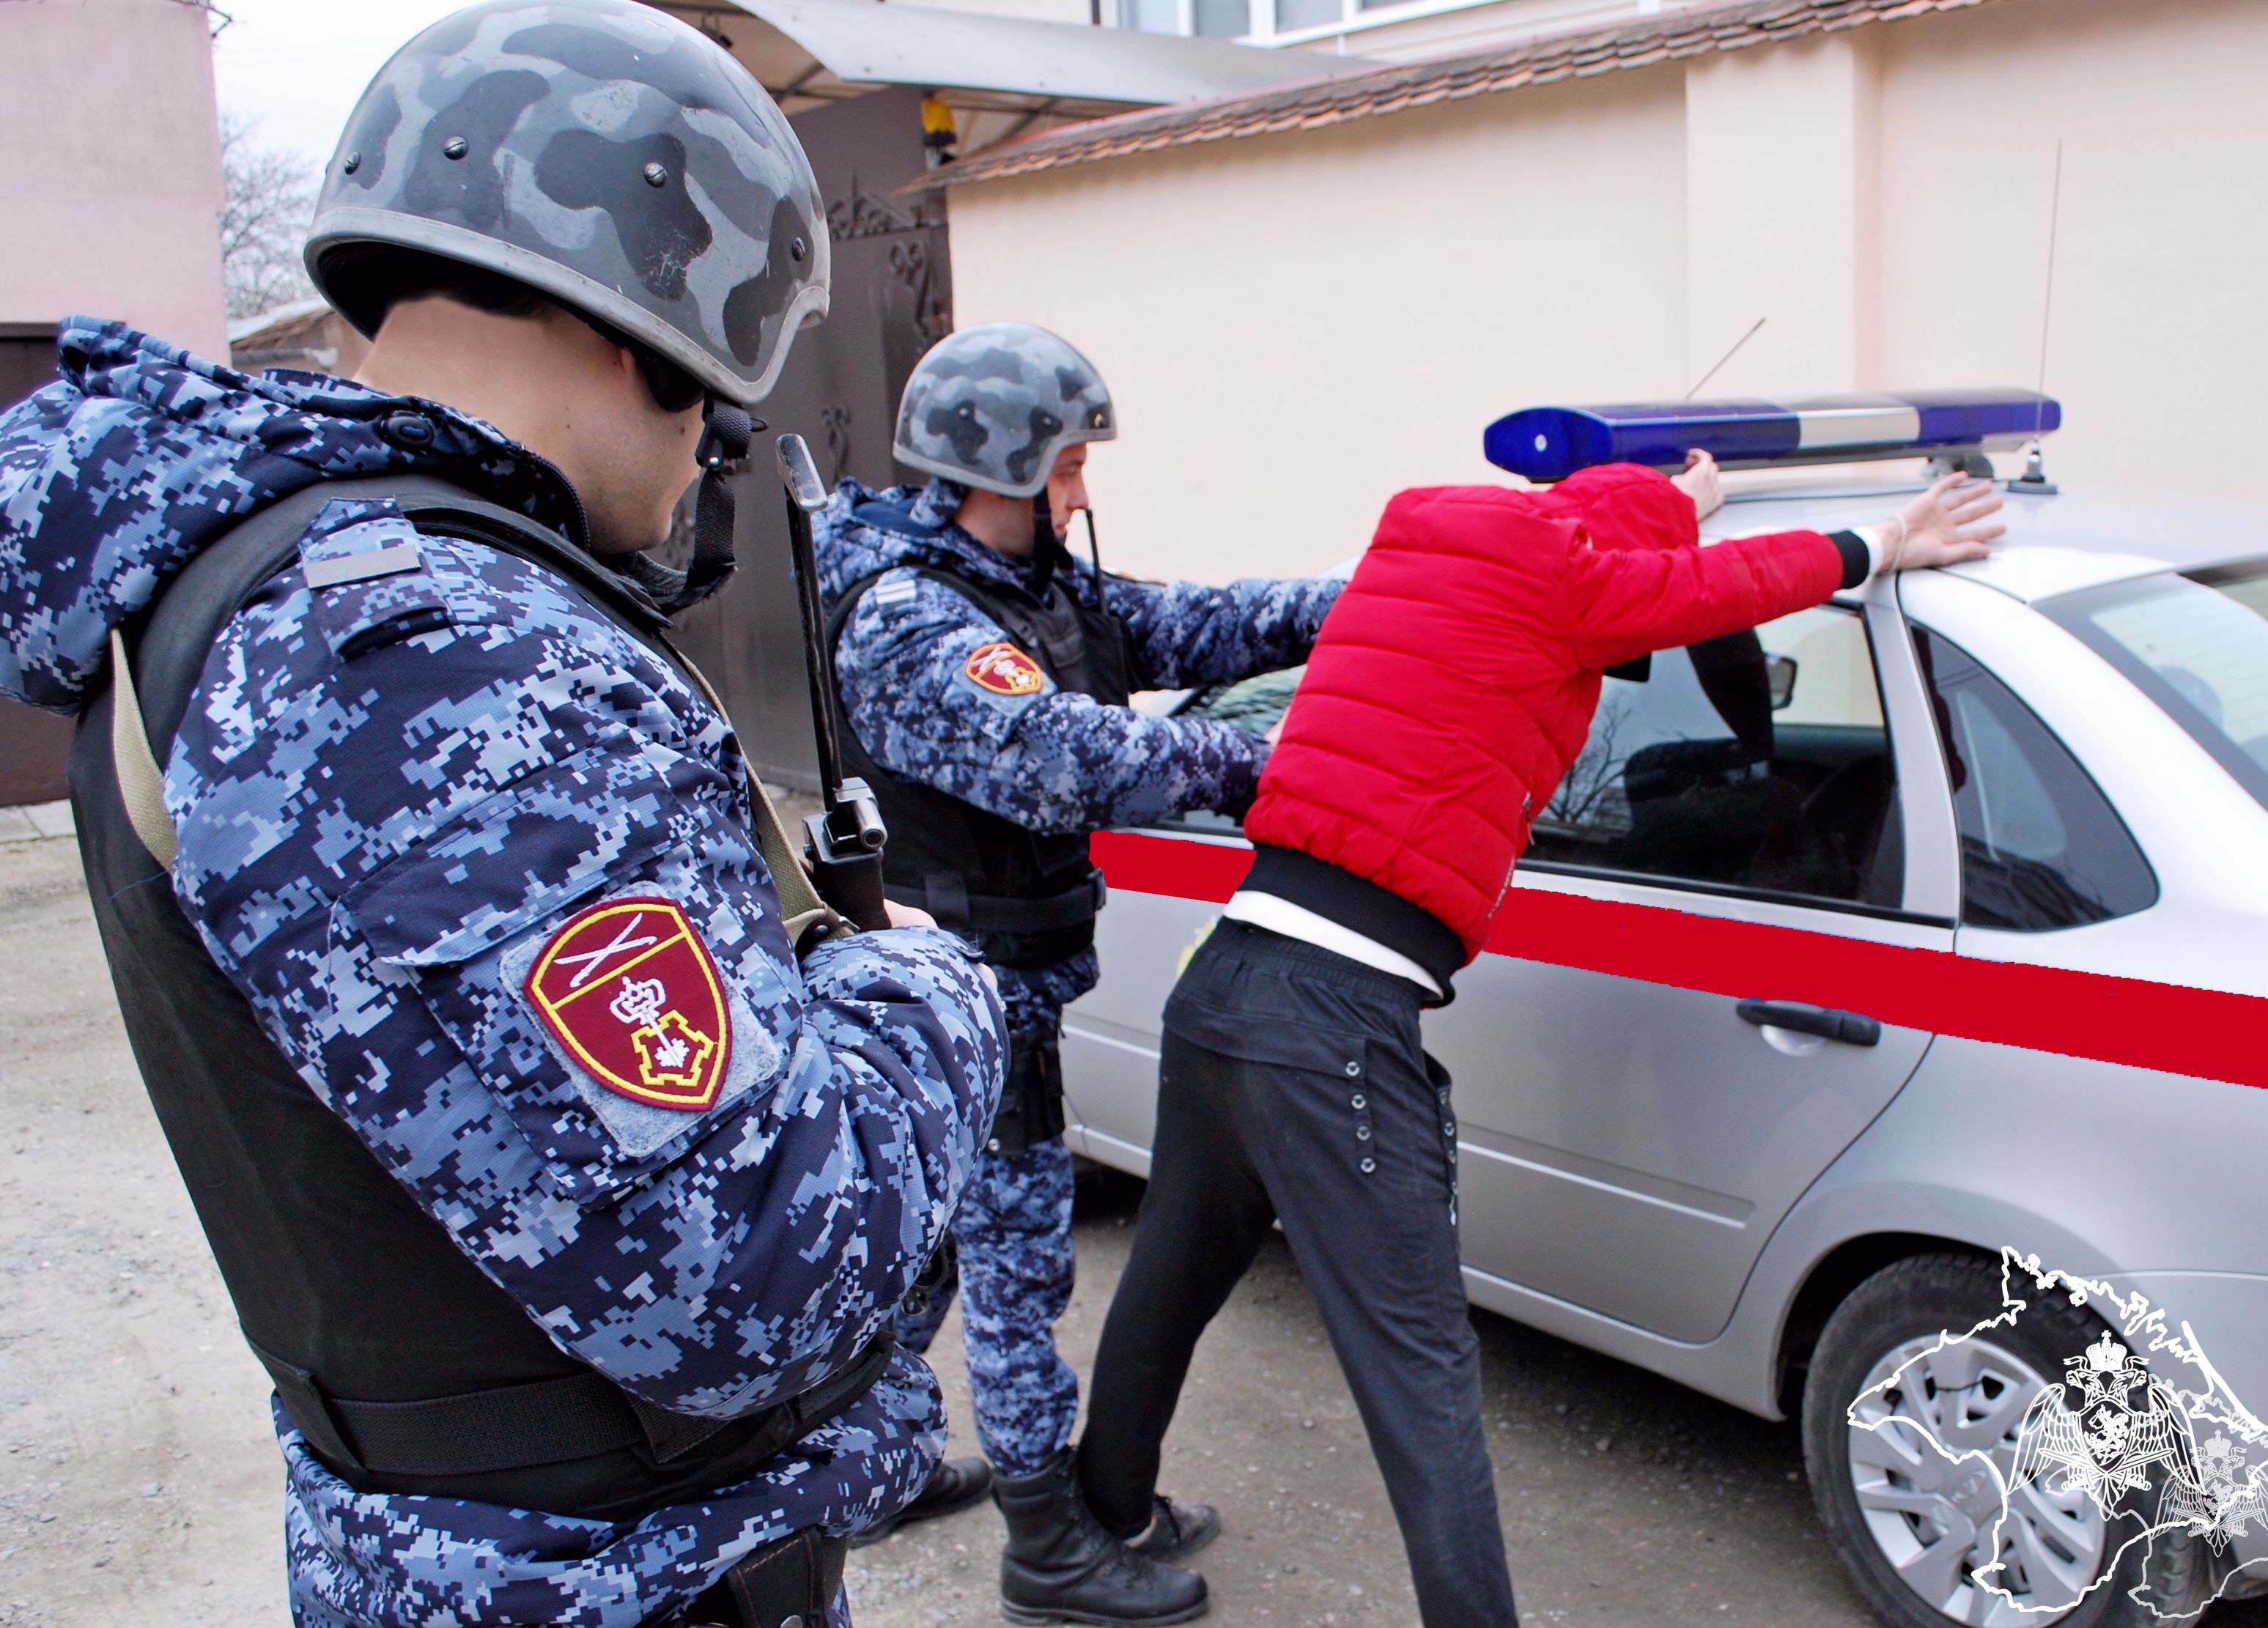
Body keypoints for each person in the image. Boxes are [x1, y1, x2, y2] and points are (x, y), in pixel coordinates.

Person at [0, 5, 1005, 1624]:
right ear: (660, 322)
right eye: (717, 403)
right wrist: (927, 986)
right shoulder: (431, 659)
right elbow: (752, 1271)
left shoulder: (262, 580)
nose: (708, 454)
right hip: (619, 1578)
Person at [1074, 449, 2006, 1627]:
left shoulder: (1434, 552)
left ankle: (1089, 1536)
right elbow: (1729, 588)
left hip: (1229, 975)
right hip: (1333, 1019)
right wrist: (1882, 540)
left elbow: (1632, 546)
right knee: (1419, 1370)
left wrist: (1674, 505)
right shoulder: (1572, 581)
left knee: (1168, 1276)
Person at [814, 322, 1344, 1623]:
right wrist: (1282, 765)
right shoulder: (909, 618)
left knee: (926, 1252)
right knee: (1014, 1266)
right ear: (996, 467)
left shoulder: (1031, 585)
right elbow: (1077, 758)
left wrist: (1384, 597)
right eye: (1066, 467)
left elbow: (1199, 624)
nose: (1083, 490)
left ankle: (862, 1470)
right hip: (963, 995)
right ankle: (1049, 1545)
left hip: (1002, 979)